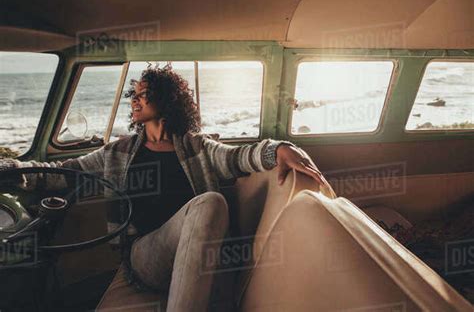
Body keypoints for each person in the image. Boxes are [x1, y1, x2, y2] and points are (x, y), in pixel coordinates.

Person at [0, 64, 325, 311]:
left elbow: (240, 156)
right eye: (133, 95)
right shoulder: (119, 152)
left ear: (167, 100)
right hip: (144, 257)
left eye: (143, 94)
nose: (135, 100)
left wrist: (279, 148)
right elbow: (61, 174)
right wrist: (9, 171)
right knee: (210, 202)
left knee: (210, 203)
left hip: (200, 258)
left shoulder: (198, 148)